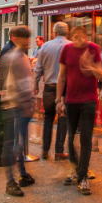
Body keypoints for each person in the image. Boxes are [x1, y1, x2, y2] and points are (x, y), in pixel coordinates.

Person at [56, 26, 102, 195]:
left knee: (85, 138)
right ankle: (76, 167)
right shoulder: (66, 49)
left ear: (85, 36)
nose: (76, 40)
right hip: (71, 99)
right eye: (73, 37)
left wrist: (90, 65)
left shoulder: (93, 49)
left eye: (79, 37)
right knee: (70, 136)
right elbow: (62, 76)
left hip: (89, 100)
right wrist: (58, 99)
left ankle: (82, 177)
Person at [1, 26, 36, 196]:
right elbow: (8, 84)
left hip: (23, 106)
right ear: (17, 39)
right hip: (14, 106)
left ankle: (22, 174)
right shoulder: (12, 57)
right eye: (26, 38)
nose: (28, 41)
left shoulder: (22, 56)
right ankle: (10, 181)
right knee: (12, 144)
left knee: (19, 142)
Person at [34, 22, 71, 160]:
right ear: (67, 33)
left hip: (49, 87)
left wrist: (35, 84)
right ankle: (59, 151)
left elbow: (38, 68)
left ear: (54, 33)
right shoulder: (70, 45)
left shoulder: (46, 47)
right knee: (63, 118)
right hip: (66, 88)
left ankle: (45, 150)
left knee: (48, 118)